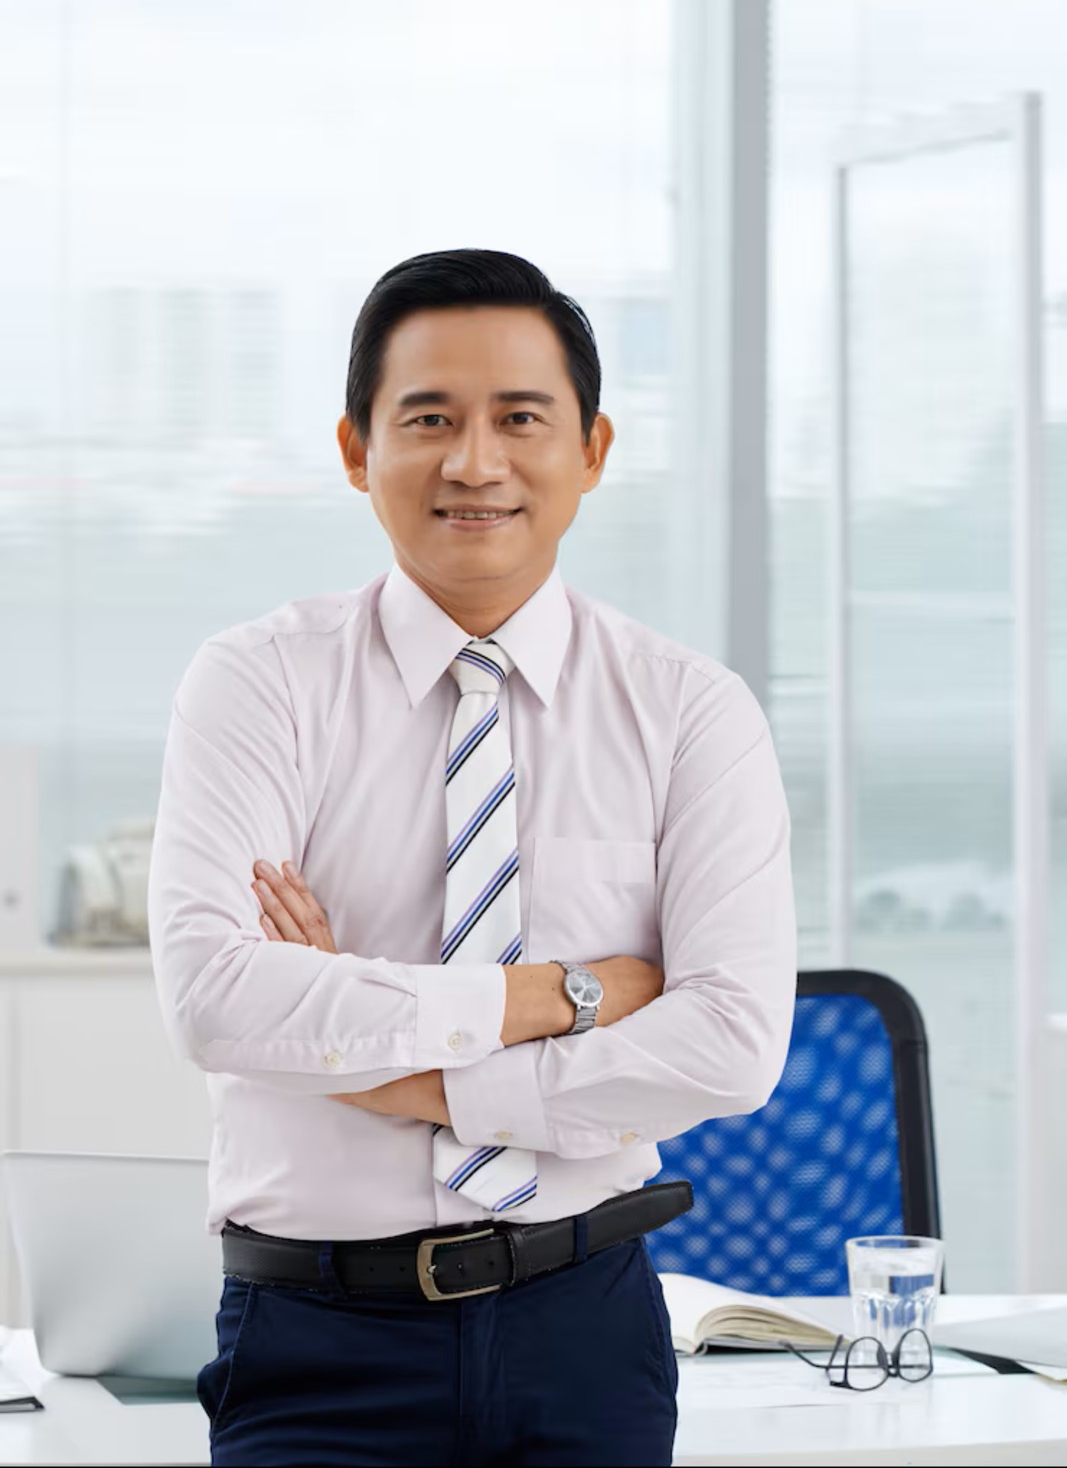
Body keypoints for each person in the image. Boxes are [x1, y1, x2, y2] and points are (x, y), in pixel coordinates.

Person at [147, 247, 797, 1467]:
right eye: (430, 419)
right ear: (356, 450)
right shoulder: (257, 684)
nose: (474, 462)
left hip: (583, 1325)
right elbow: (218, 999)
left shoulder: (689, 712)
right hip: (313, 1333)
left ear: (592, 450)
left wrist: (397, 1065)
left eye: (519, 419)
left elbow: (729, 1041)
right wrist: (552, 997)